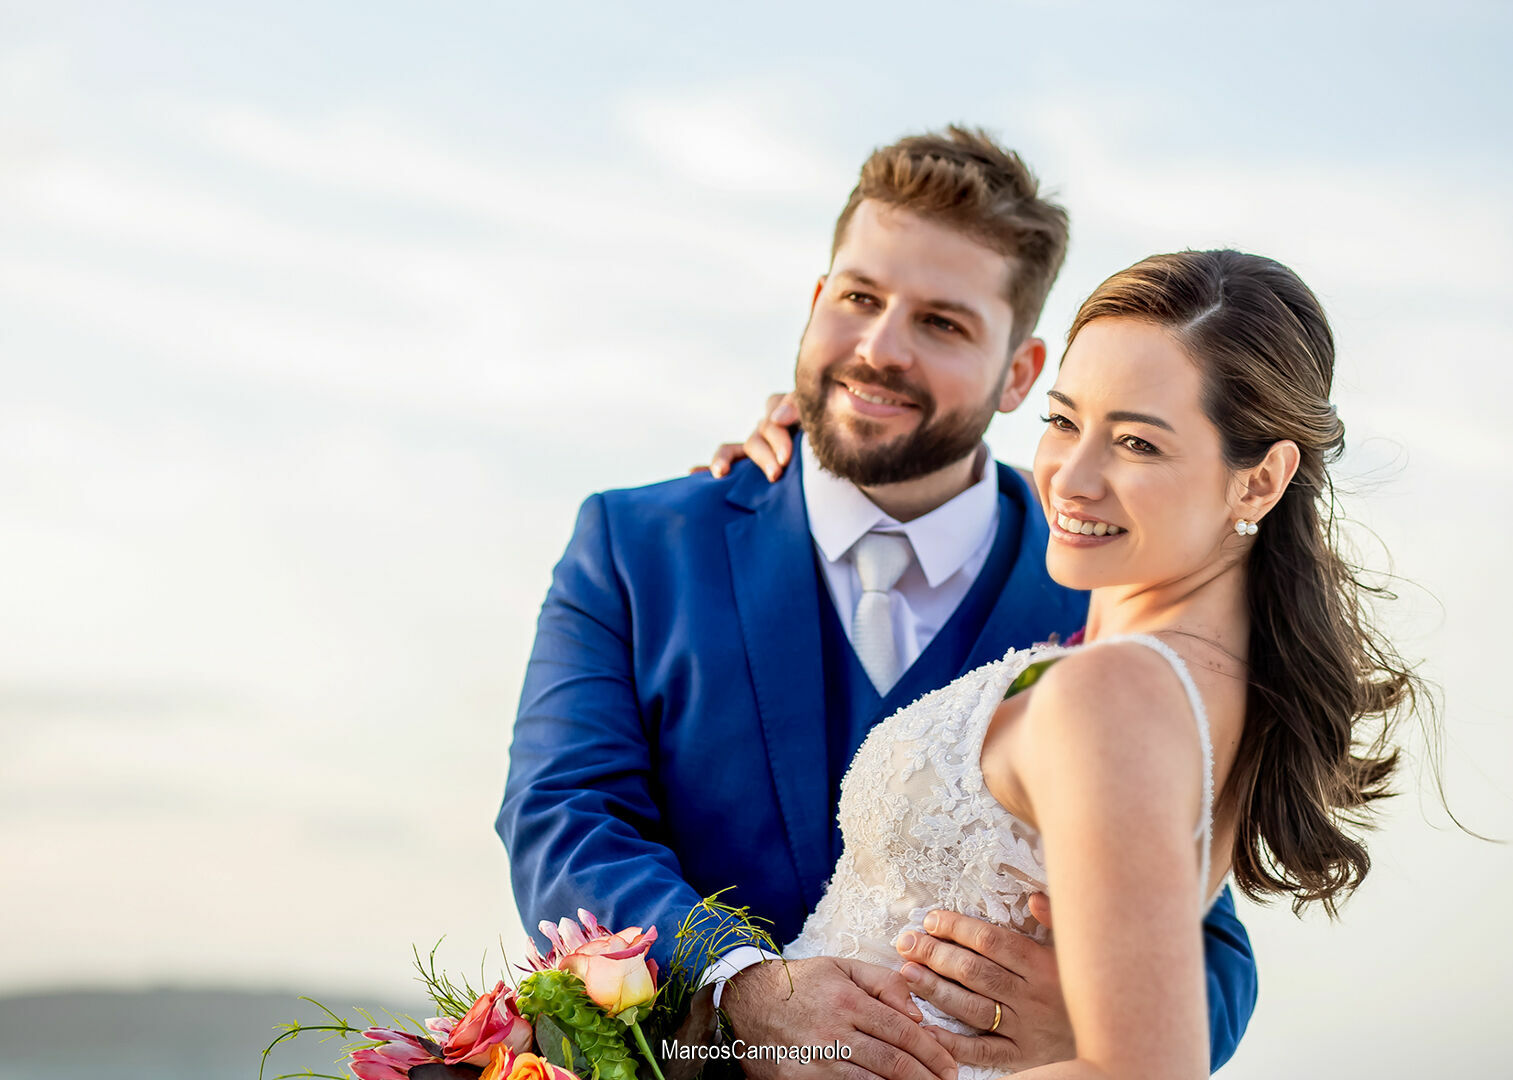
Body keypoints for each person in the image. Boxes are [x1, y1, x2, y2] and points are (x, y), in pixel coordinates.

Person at [498, 128, 1257, 1079]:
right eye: (859, 299)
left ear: (1020, 373)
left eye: (942, 323)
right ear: (817, 303)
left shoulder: (1094, 588)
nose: (879, 350)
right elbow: (564, 814)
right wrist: (738, 987)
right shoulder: (636, 544)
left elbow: (1205, 936)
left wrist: (1086, 1029)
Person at [737, 247, 1426, 1079]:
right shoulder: (1177, 674)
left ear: (1259, 481)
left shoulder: (1116, 693)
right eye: (1063, 422)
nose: (1071, 477)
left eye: (1136, 442)